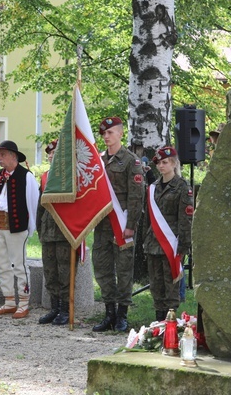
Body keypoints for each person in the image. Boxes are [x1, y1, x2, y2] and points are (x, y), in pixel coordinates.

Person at [92, 117, 144, 333]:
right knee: (103, 269)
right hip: (102, 224)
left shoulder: (131, 161)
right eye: (103, 133)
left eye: (110, 132)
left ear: (121, 134)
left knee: (123, 271)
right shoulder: (98, 161)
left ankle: (122, 315)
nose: (106, 136)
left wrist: (131, 225)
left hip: (122, 224)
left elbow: (136, 196)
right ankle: (109, 313)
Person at [0, 140, 39, 319]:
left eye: (2, 155)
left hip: (17, 227)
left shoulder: (26, 177)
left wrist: (29, 228)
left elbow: (33, 203)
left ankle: (23, 301)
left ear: (13, 156)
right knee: (2, 264)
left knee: (19, 264)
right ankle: (9, 300)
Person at [144, 147, 193, 321]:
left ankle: (171, 323)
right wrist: (145, 240)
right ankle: (158, 322)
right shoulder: (153, 187)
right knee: (156, 286)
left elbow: (185, 219)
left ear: (173, 163)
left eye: (165, 162)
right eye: (158, 163)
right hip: (153, 243)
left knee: (171, 286)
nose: (161, 166)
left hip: (172, 243)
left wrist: (183, 246)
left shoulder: (182, 187)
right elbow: (148, 219)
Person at [36, 139, 73, 325]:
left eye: (54, 153)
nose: (51, 156)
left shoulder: (70, 177)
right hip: (48, 231)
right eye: (49, 154)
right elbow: (40, 206)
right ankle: (55, 308)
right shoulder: (45, 177)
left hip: (64, 231)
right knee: (50, 272)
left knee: (65, 272)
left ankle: (66, 310)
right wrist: (39, 229)